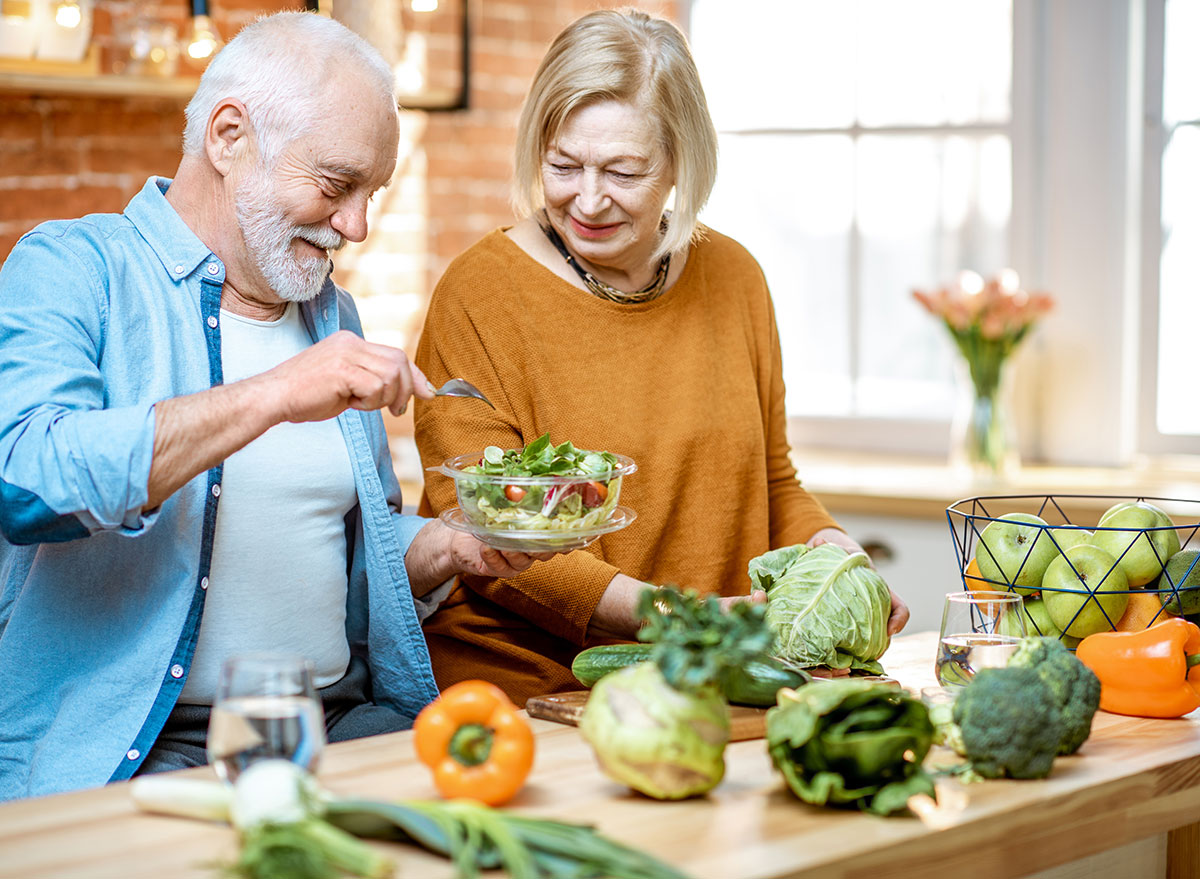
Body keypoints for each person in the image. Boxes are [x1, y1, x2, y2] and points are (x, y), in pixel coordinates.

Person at [0, 12, 548, 802]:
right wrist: (276, 394)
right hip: (144, 749)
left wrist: (450, 547)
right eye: (335, 185)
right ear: (228, 137)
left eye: (372, 193)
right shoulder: (73, 268)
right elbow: (25, 480)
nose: (356, 225)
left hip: (348, 723)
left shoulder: (332, 317)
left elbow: (337, 549)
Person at [413, 9, 910, 704]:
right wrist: (678, 616)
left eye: (624, 170)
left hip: (710, 678)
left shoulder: (735, 277)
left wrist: (837, 558)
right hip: (532, 690)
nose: (587, 199)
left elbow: (772, 480)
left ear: (680, 161)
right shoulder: (478, 293)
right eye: (562, 165)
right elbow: (481, 531)